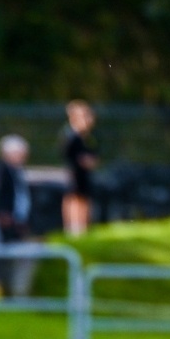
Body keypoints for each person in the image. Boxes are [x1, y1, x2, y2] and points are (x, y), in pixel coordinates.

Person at [0, 133, 34, 297]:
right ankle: (8, 292)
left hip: (16, 221)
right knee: (7, 257)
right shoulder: (3, 171)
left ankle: (13, 291)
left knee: (14, 256)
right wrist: (3, 214)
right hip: (8, 222)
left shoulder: (16, 171)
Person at [60, 101, 97, 237]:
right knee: (74, 197)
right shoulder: (71, 135)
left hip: (83, 174)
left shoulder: (87, 136)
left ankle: (83, 227)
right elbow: (69, 154)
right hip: (74, 173)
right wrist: (83, 160)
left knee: (84, 198)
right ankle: (74, 228)